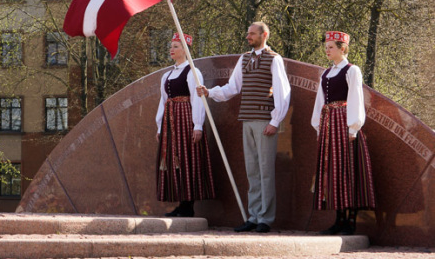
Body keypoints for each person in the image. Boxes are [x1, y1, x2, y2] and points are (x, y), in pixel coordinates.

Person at [197, 22, 291, 233]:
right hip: (247, 120)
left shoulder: (274, 59)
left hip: (264, 121)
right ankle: (254, 215)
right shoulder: (244, 59)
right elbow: (233, 87)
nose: (248, 36)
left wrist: (275, 121)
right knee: (252, 171)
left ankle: (266, 219)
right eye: (248, 33)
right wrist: (210, 92)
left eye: (252, 33)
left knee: (265, 171)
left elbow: (283, 92)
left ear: (264, 35)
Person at [311, 31, 376, 235]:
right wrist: (318, 126)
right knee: (333, 170)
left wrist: (353, 127)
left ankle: (350, 220)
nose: (327, 50)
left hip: (344, 123)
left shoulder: (352, 70)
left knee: (348, 169)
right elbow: (320, 101)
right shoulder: (325, 73)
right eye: (326, 47)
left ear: (342, 48)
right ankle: (338, 219)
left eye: (331, 47)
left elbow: (355, 97)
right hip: (330, 123)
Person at [156, 33, 215, 217]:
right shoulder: (167, 75)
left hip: (185, 119)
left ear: (185, 49)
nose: (171, 49)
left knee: (187, 158)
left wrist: (197, 124)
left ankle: (188, 205)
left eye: (175, 46)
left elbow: (198, 99)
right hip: (171, 120)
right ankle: (180, 203)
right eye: (171, 46)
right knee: (174, 159)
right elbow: (163, 101)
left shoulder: (192, 72)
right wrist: (159, 126)